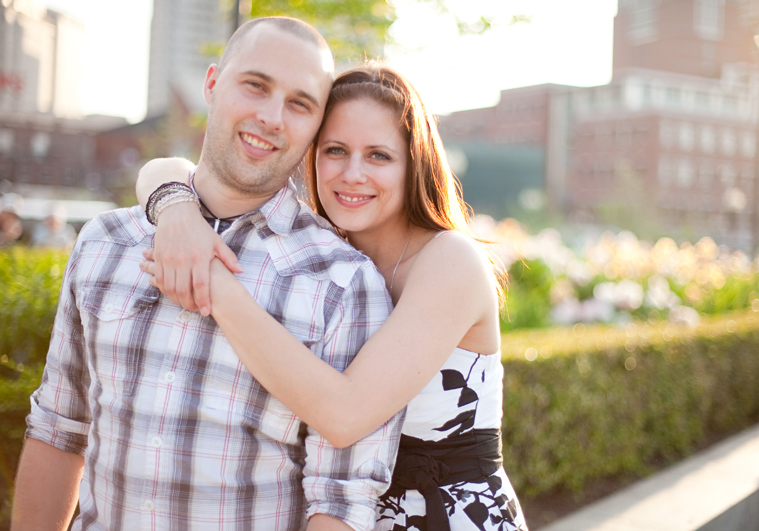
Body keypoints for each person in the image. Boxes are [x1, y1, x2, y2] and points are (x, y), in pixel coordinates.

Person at [12, 17, 403, 531]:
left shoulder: (344, 284)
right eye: (255, 85)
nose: (271, 116)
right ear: (213, 83)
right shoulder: (106, 243)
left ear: (314, 128)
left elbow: (341, 499)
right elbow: (59, 429)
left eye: (299, 104)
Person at [137, 62, 528, 531]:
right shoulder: (324, 255)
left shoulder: (449, 260)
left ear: (414, 163)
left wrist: (211, 279)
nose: (352, 174)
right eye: (336, 151)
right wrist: (177, 211)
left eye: (379, 156)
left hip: (448, 517)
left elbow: (345, 416)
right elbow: (169, 169)